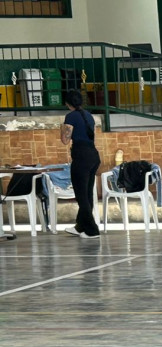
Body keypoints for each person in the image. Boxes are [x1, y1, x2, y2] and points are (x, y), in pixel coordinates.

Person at [59, 89, 101, 239]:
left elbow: (65, 140)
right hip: (93, 155)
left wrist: (62, 128)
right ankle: (80, 226)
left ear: (67, 103)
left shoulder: (70, 116)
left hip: (81, 156)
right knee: (87, 193)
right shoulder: (89, 115)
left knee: (81, 195)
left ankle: (92, 230)